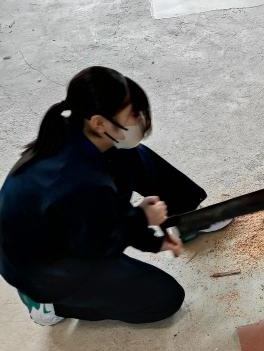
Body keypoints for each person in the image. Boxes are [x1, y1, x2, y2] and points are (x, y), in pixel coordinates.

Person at [0, 67, 229, 326]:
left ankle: (186, 218)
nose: (138, 120)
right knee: (165, 298)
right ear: (99, 122)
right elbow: (96, 244)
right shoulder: (77, 180)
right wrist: (142, 219)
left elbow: (105, 212)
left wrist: (152, 237)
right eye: (131, 114)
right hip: (48, 267)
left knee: (131, 154)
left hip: (70, 227)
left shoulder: (80, 132)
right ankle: (49, 303)